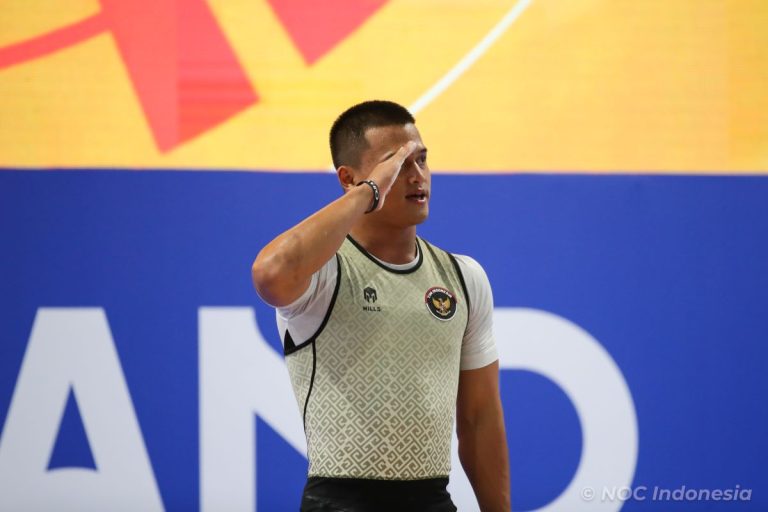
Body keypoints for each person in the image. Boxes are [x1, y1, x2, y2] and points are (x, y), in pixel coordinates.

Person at [251, 100, 510, 512]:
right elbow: (270, 273)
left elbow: (479, 420)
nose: (417, 175)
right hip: (340, 503)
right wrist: (370, 192)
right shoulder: (323, 273)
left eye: (421, 159)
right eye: (396, 164)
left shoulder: (463, 277)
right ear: (348, 178)